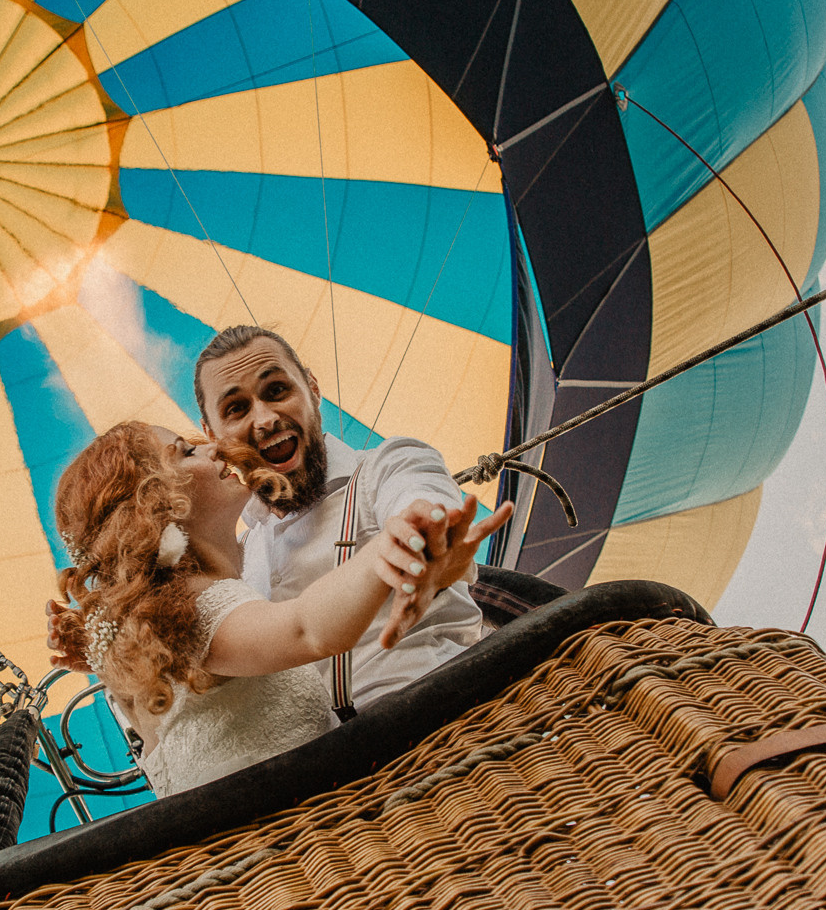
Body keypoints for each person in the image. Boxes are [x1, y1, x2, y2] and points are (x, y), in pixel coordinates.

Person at [47, 421, 509, 797]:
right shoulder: (194, 612)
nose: (213, 449)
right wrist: (383, 551)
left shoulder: (169, 622)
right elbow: (306, 629)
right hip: (293, 848)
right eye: (186, 452)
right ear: (154, 507)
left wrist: (107, 652)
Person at [195, 325, 490, 716]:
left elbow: (418, 497)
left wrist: (433, 540)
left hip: (446, 722)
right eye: (236, 409)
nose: (264, 419)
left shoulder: (388, 466)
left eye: (277, 390)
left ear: (313, 389)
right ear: (211, 436)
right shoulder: (239, 559)